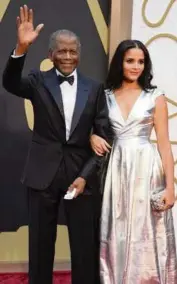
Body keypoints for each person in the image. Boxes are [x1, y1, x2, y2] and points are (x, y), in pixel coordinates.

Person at [2, 5, 111, 284]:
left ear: (79, 54)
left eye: (72, 51)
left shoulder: (95, 88)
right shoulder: (38, 81)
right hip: (42, 173)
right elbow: (10, 82)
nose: (67, 56)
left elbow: (103, 136)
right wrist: (20, 49)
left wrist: (86, 176)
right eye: (61, 51)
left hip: (79, 176)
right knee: (40, 246)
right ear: (51, 54)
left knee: (84, 249)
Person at [91, 39, 177, 283]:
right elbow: (91, 128)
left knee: (148, 232)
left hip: (147, 169)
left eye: (141, 61)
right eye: (130, 60)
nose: (136, 66)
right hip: (116, 168)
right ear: (120, 62)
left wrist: (170, 188)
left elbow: (163, 144)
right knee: (116, 231)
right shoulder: (104, 96)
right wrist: (91, 138)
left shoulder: (155, 96)